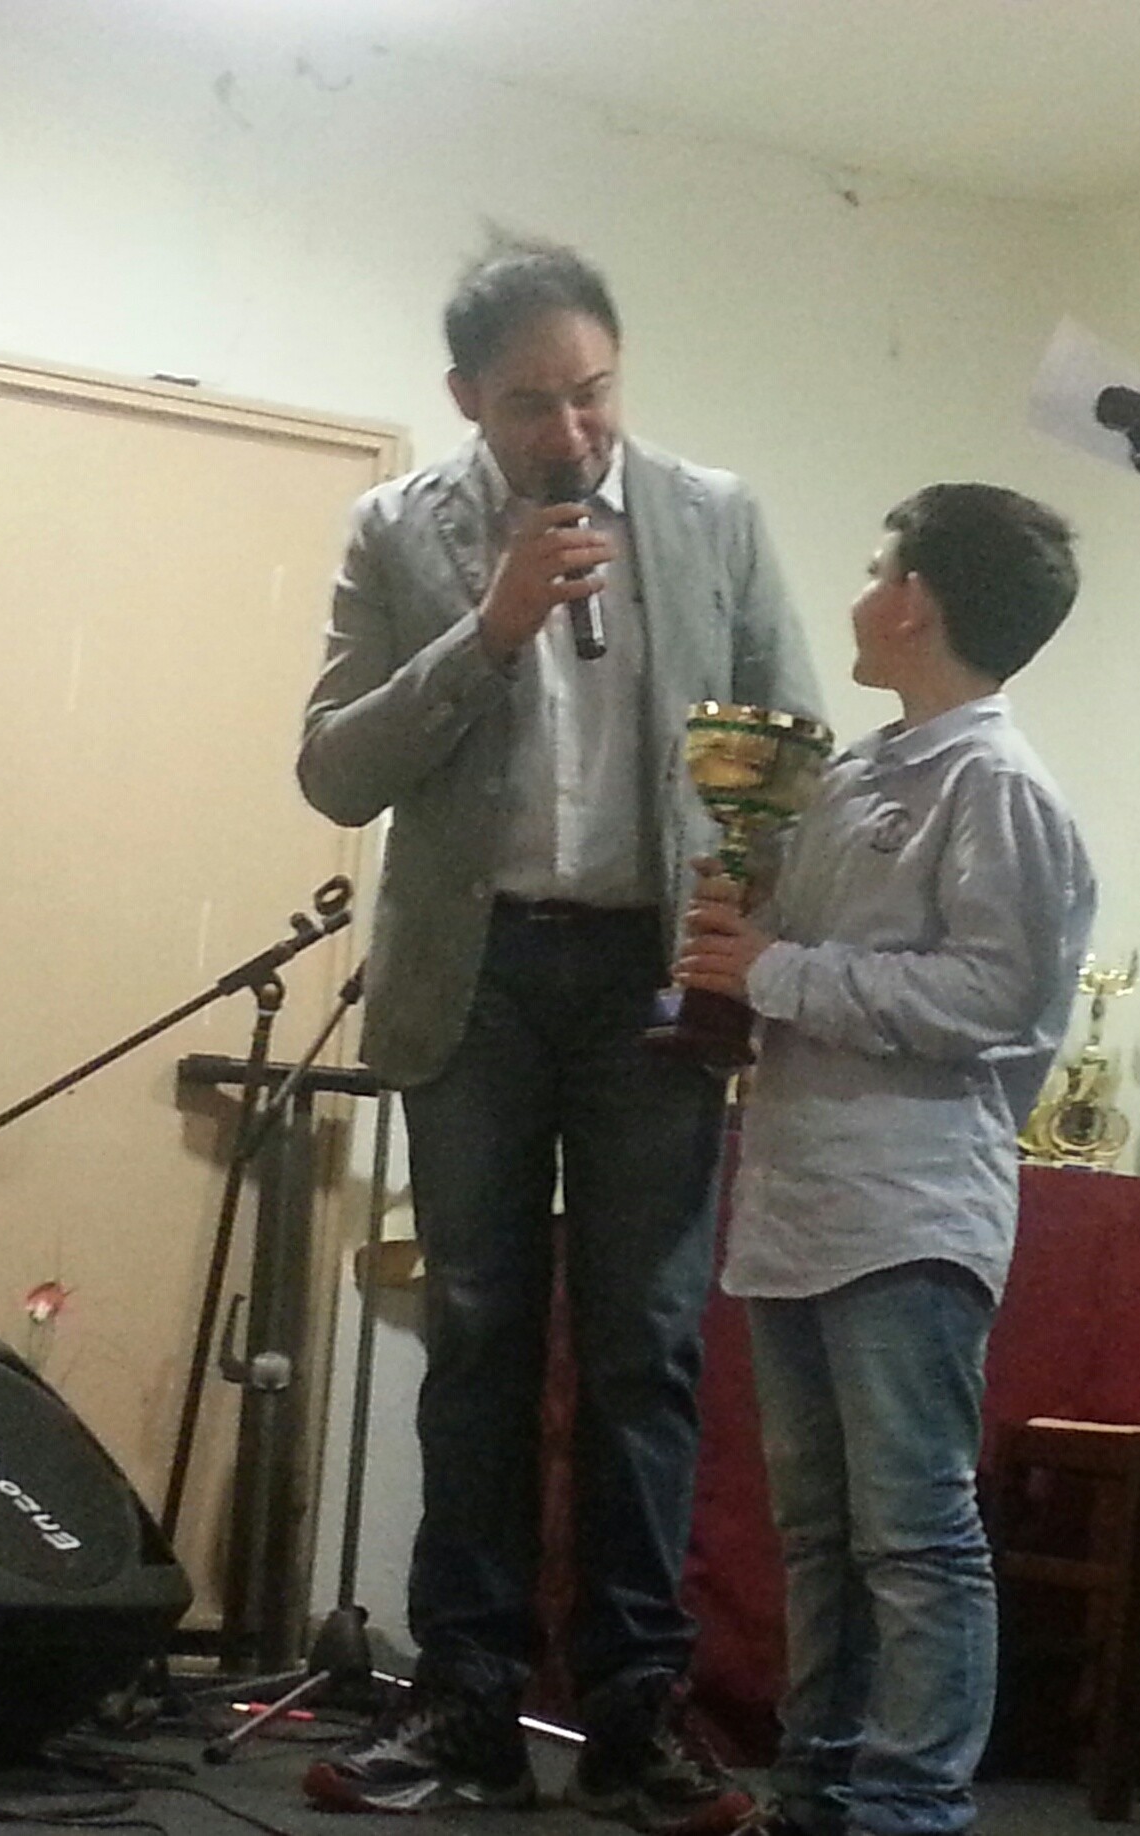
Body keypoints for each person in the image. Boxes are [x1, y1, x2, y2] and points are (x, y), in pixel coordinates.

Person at [295, 235, 821, 1820]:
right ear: (466, 399)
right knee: (478, 1333)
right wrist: (489, 627)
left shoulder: (715, 517)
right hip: (480, 977)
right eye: (533, 404)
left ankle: (636, 1709)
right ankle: (466, 1700)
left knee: (646, 1346)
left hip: (654, 979)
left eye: (594, 390)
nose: (574, 430)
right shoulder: (398, 530)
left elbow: (796, 749)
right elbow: (334, 770)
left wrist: (754, 938)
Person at [674, 484, 1097, 1836]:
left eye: (876, 569)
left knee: (914, 1531)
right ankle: (817, 1783)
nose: (858, 596)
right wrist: (731, 932)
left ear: (917, 601)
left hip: (909, 1203)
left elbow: (994, 998)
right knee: (816, 1530)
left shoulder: (998, 786)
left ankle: (910, 1805)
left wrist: (775, 969)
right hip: (798, 1191)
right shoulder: (853, 773)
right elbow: (787, 964)